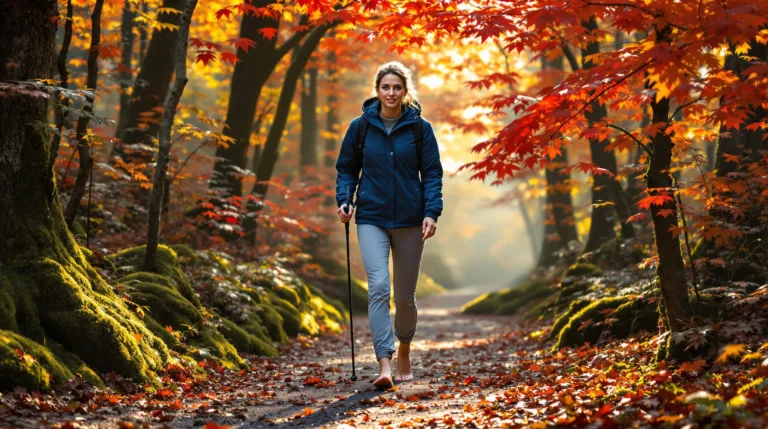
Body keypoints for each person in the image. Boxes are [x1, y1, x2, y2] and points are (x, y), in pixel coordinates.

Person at [335, 61, 444, 389]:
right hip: (371, 217)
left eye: (397, 87)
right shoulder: (361, 127)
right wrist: (345, 199)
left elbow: (433, 173)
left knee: (405, 296)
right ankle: (384, 362)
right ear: (377, 90)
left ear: (405, 90)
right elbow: (346, 169)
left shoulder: (419, 128)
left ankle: (404, 351)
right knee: (379, 287)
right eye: (386, 87)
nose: (391, 92)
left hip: (411, 220)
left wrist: (431, 212)